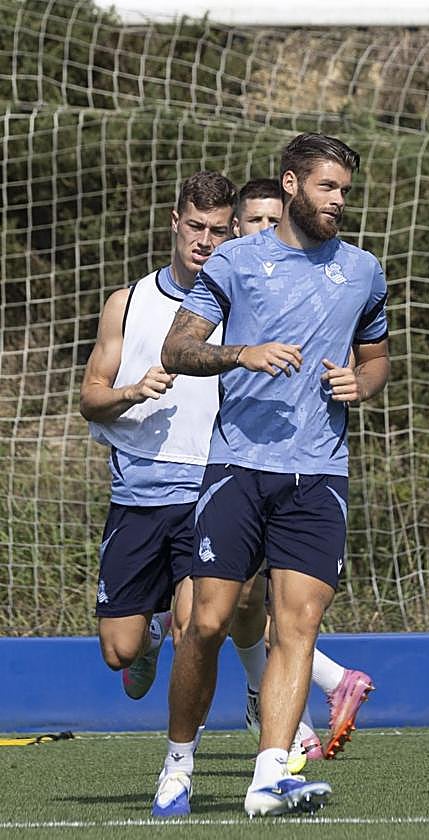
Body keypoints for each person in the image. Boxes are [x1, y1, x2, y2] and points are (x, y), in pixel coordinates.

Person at [150, 133, 390, 818]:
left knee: (299, 627)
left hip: (319, 475)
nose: (340, 200)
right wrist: (241, 354)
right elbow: (180, 348)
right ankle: (179, 760)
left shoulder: (364, 270)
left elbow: (376, 359)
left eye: (345, 189)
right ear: (290, 185)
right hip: (238, 469)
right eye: (327, 187)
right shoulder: (234, 261)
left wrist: (362, 382)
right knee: (208, 625)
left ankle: (268, 777)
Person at [229, 176, 374, 770]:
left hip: (288, 464)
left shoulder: (342, 274)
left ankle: (284, 738)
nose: (266, 230)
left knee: (274, 611)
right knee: (232, 609)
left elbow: (373, 357)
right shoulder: (226, 279)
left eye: (272, 219)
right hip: (212, 459)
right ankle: (317, 696)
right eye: (254, 222)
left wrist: (360, 382)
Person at [80, 171, 237, 700]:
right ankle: (148, 634)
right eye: (195, 226)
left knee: (196, 629)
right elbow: (90, 400)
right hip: (136, 497)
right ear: (175, 223)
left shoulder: (240, 307)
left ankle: (180, 761)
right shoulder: (127, 302)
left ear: (232, 232)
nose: (204, 240)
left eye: (217, 230)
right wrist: (132, 391)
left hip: (206, 492)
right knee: (117, 651)